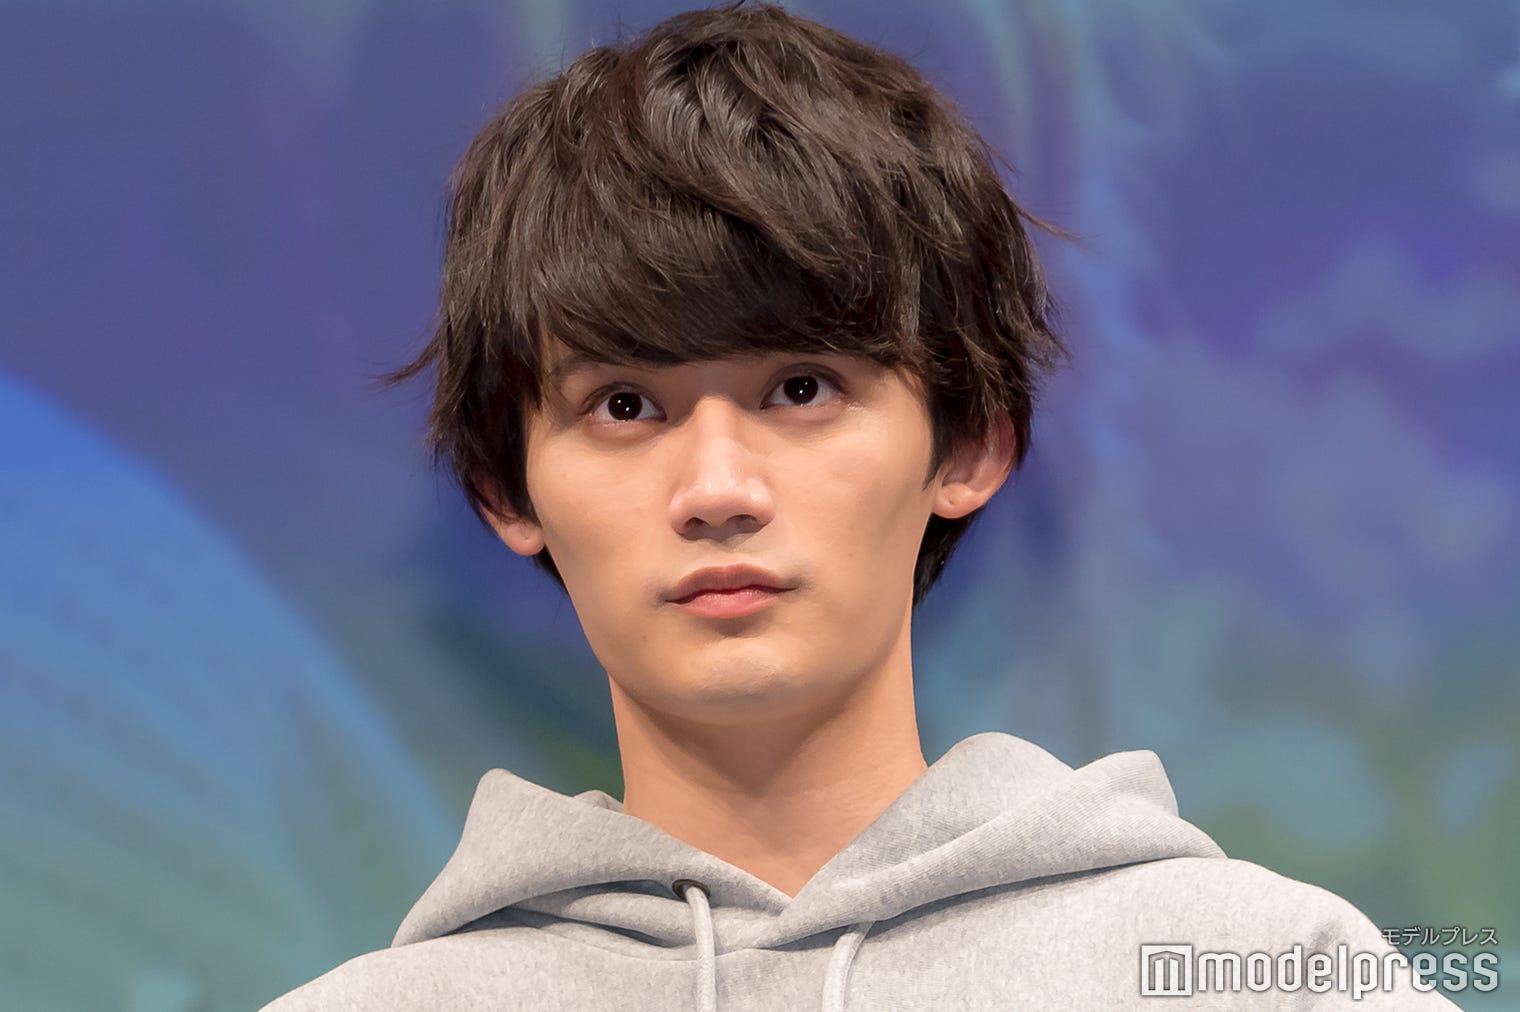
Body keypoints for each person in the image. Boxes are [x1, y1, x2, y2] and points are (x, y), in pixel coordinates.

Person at [261, 3, 1464, 1008]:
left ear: (969, 443)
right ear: (501, 486)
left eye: (800, 389)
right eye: (624, 406)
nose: (717, 490)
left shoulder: (1270, 973)